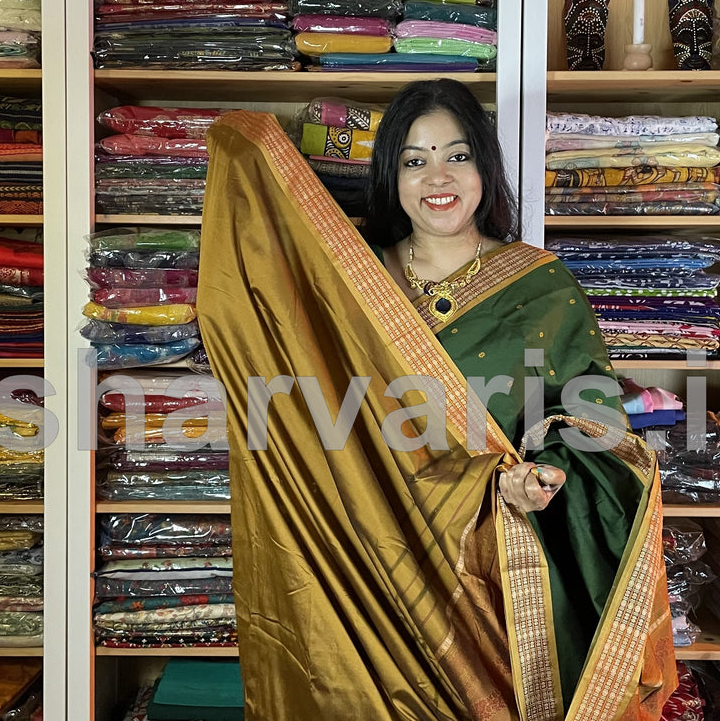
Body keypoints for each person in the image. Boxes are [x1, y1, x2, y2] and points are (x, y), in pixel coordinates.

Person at [198, 79, 675, 721]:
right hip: (364, 558)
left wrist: (537, 476)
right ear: (391, 177)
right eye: (414, 160)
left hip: (496, 567)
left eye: (457, 155)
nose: (437, 177)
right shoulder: (347, 285)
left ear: (485, 165)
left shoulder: (539, 285)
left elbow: (592, 417)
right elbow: (288, 391)